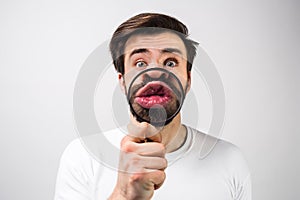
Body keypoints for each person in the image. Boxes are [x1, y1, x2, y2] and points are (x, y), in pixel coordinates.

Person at [54, 13, 251, 200]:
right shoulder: (81, 156)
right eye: (140, 63)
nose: (156, 73)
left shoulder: (230, 160)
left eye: (171, 62)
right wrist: (123, 195)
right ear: (122, 82)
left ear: (188, 80)